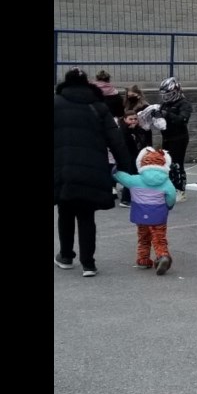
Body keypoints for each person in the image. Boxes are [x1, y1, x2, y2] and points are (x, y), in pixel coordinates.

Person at [54, 67, 135, 277]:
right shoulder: (98, 107)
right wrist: (126, 168)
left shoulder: (56, 103)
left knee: (65, 211)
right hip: (92, 169)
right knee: (86, 215)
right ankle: (88, 263)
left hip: (63, 168)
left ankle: (66, 256)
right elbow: (116, 139)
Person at [113, 147, 178, 275]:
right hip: (158, 215)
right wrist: (168, 206)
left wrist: (114, 171)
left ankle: (143, 259)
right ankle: (162, 255)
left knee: (143, 237)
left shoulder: (135, 180)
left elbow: (120, 176)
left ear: (141, 162)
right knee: (159, 238)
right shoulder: (166, 182)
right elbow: (171, 197)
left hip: (141, 215)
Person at [156, 77, 193, 201]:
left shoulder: (184, 104)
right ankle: (169, 187)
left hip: (179, 137)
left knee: (177, 164)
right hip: (167, 137)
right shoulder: (165, 104)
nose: (166, 98)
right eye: (164, 95)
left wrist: (168, 114)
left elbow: (183, 119)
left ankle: (180, 190)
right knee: (167, 164)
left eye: (169, 95)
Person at [118, 109, 153, 207]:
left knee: (137, 177)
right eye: (130, 119)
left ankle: (136, 197)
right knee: (130, 177)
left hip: (137, 156)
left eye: (135, 119)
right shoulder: (123, 130)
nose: (133, 121)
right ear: (125, 119)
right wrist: (130, 131)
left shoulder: (138, 129)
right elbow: (126, 143)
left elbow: (145, 140)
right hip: (128, 157)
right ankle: (125, 199)